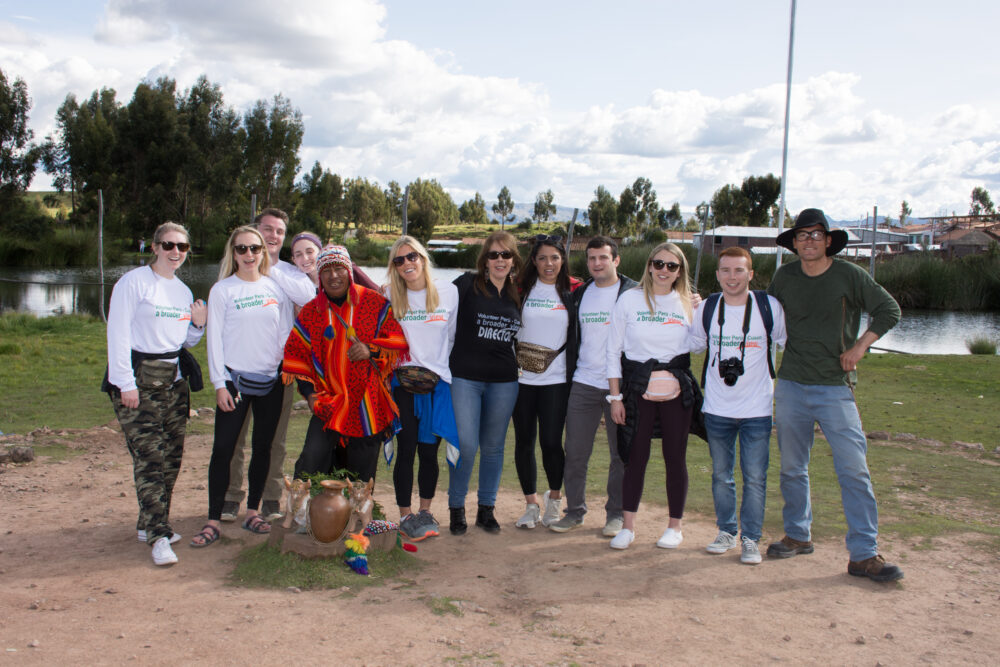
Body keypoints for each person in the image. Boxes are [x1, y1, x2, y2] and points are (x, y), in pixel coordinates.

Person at [766, 208, 904, 582]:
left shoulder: (849, 275)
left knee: (853, 469)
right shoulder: (784, 277)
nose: (809, 241)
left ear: (828, 241)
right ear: (794, 243)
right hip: (791, 385)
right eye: (802, 235)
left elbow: (889, 310)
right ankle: (797, 535)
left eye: (816, 234)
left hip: (835, 388)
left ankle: (864, 554)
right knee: (792, 468)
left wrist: (860, 347)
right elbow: (763, 316)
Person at [105, 221, 206, 566]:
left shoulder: (182, 291)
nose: (175, 252)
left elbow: (183, 342)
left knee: (171, 458)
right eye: (168, 245)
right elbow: (117, 333)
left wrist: (198, 324)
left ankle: (147, 523)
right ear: (154, 247)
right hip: (138, 381)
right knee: (149, 457)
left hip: (173, 384)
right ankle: (159, 536)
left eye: (182, 246)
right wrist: (125, 383)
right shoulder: (133, 283)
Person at [190, 225, 293, 548]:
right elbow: (214, 340)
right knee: (224, 448)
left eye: (255, 248)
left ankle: (253, 512)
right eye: (242, 249)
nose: (249, 254)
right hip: (234, 382)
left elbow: (285, 332)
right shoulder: (223, 290)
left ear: (263, 252)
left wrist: (285, 367)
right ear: (233, 253)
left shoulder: (274, 288)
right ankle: (212, 520)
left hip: (271, 381)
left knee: (263, 448)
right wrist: (219, 383)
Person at [690, 247, 786, 565]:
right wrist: (682, 310)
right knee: (721, 475)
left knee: (755, 477)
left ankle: (751, 539)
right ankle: (727, 531)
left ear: (751, 274)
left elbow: (787, 341)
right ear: (717, 274)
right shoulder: (707, 307)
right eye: (726, 270)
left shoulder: (768, 307)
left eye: (739, 270)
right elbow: (694, 344)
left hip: (757, 410)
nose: (732, 277)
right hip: (718, 408)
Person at [284, 245, 409, 484]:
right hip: (327, 402)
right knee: (311, 463)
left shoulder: (374, 302)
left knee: (361, 476)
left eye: (339, 269)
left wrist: (371, 349)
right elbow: (296, 354)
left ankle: (356, 507)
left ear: (349, 271)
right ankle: (307, 505)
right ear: (319, 276)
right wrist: (310, 395)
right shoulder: (311, 312)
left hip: (367, 404)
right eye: (326, 270)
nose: (333, 276)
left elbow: (398, 340)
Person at [221, 210, 314, 523]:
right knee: (235, 437)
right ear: (255, 231)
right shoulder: (236, 270)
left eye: (279, 232)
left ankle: (271, 497)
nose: (273, 236)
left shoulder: (289, 272)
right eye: (267, 229)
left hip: (279, 370)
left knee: (275, 438)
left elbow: (307, 295)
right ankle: (230, 496)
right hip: (238, 368)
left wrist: (268, 268)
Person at [607, 242, 699, 550]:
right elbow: (613, 351)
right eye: (658, 263)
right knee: (635, 457)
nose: (664, 270)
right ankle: (628, 527)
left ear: (680, 271)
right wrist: (615, 398)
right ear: (649, 265)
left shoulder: (688, 303)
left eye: (672, 266)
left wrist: (700, 310)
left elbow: (698, 345)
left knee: (675, 457)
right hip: (636, 388)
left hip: (676, 388)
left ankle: (675, 527)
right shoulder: (629, 300)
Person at [549, 236, 636, 536]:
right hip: (583, 382)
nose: (597, 263)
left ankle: (615, 514)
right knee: (575, 452)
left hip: (620, 386)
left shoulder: (633, 293)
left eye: (603, 257)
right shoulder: (580, 293)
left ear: (616, 260)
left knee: (619, 454)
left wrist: (694, 300)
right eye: (591, 258)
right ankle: (575, 512)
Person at [447, 231, 523, 535]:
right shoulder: (466, 284)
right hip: (465, 378)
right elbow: (431, 300)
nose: (500, 260)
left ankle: (486, 509)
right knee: (466, 445)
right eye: (494, 255)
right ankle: (456, 508)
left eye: (506, 254)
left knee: (493, 448)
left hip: (504, 381)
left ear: (514, 259)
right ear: (485, 260)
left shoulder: (519, 292)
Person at [384, 236, 459, 541]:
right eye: (399, 260)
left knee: (429, 452)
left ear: (423, 258)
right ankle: (405, 515)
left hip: (436, 385)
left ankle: (425, 512)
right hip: (402, 385)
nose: (407, 263)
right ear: (394, 267)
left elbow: (451, 337)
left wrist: (436, 366)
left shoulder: (449, 292)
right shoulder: (389, 294)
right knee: (407, 450)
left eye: (412, 256)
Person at [512, 235, 581, 529]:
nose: (548, 263)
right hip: (521, 379)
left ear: (563, 259)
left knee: (551, 442)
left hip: (556, 379)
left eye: (554, 257)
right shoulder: (519, 288)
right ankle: (531, 505)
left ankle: (554, 498)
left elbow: (614, 290)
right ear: (534, 261)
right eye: (542, 258)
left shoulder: (575, 290)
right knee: (524, 441)